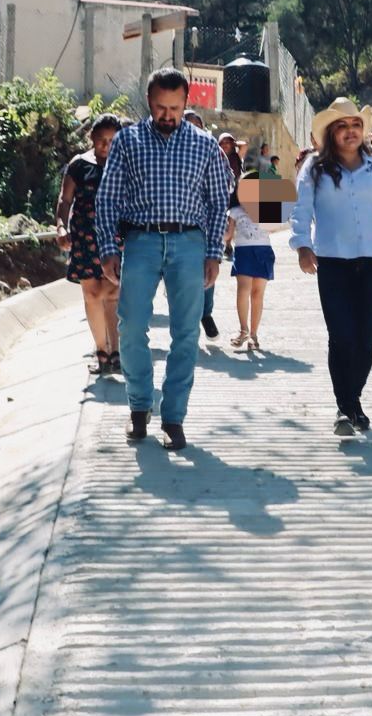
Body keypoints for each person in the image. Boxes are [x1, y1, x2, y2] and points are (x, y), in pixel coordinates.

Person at [95, 67, 233, 451]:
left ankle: (174, 417)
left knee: (185, 333)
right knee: (131, 326)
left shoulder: (205, 146)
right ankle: (139, 407)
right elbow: (108, 198)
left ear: (187, 103)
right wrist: (108, 248)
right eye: (160, 107)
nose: (167, 115)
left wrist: (213, 254)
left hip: (189, 244)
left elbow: (217, 201)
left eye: (174, 107)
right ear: (149, 102)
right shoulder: (128, 141)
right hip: (140, 241)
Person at [291, 97, 372, 436]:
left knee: (366, 338)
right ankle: (345, 407)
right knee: (341, 336)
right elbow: (301, 210)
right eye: (342, 126)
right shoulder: (314, 169)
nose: (350, 132)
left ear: (363, 131)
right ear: (331, 133)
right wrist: (302, 245)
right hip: (332, 262)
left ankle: (352, 402)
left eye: (355, 126)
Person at [55, 113, 126, 374]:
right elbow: (65, 200)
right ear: (92, 139)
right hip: (84, 236)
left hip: (115, 237)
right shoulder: (78, 165)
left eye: (112, 141)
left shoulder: (126, 166)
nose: (106, 146)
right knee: (92, 294)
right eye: (101, 140)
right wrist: (61, 226)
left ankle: (116, 350)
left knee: (113, 293)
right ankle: (101, 352)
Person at [227, 175, 275, 351]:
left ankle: (254, 334)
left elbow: (276, 226)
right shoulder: (235, 211)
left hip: (263, 252)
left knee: (257, 293)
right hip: (243, 251)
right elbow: (228, 235)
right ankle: (243, 329)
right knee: (243, 290)